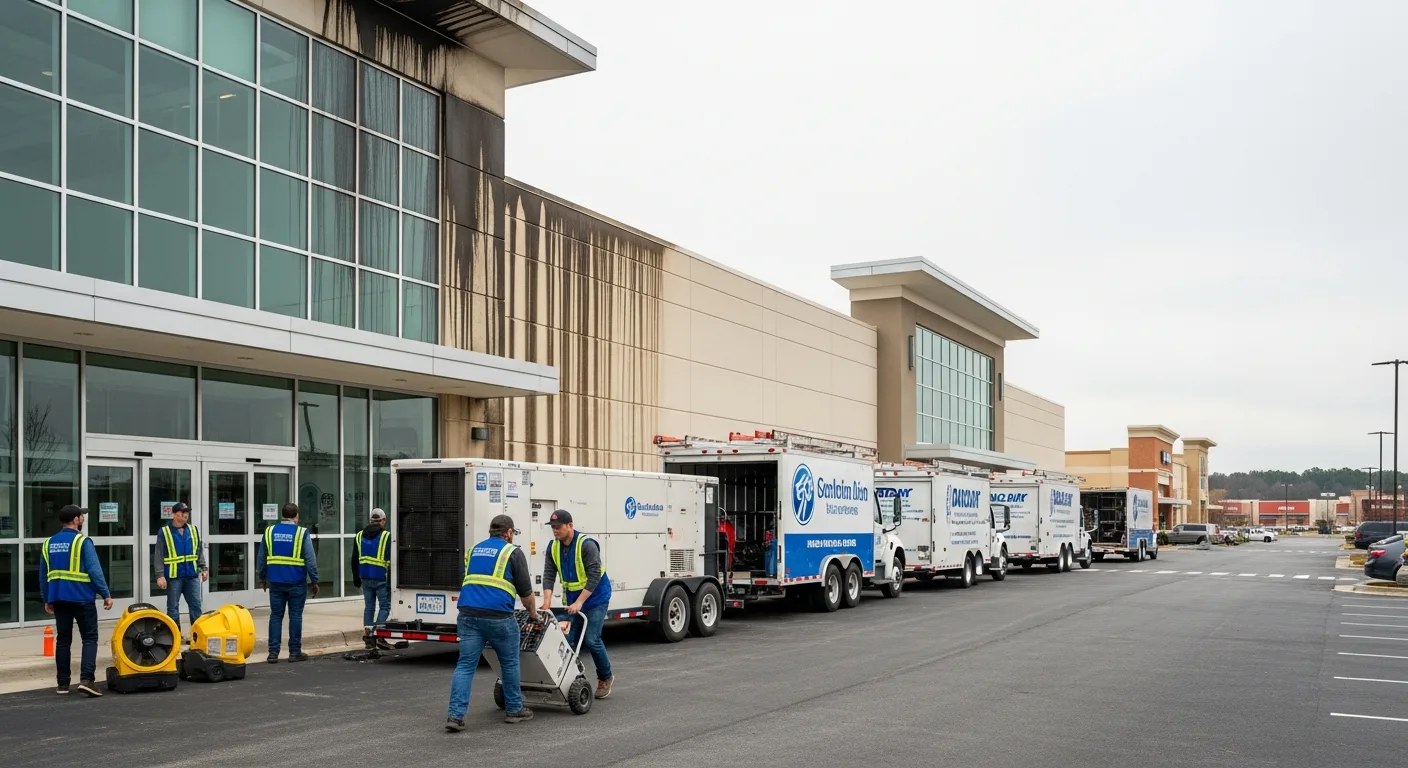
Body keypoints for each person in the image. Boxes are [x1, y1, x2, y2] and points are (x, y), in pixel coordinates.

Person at [446, 514, 539, 731]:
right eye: (512, 533)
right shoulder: (512, 552)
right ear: (508, 533)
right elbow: (526, 593)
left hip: (468, 615)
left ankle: (455, 716)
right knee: (509, 662)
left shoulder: (474, 550)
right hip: (498, 618)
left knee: (466, 665)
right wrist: (533, 613)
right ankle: (514, 709)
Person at [38, 505, 113, 697]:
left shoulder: (49, 543)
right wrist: (105, 593)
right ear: (77, 520)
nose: (83, 519)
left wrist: (47, 598)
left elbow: (43, 575)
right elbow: (94, 570)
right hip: (81, 598)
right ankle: (87, 680)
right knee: (90, 638)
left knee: (63, 640)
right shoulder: (82, 542)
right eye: (82, 516)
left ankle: (62, 684)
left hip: (59, 598)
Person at [541, 510, 614, 700]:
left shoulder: (587, 545)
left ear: (570, 526)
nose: (555, 531)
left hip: (596, 597)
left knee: (591, 639)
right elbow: (549, 574)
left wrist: (580, 602)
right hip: (573, 600)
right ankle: (567, 680)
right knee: (567, 641)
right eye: (553, 528)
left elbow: (594, 576)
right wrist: (547, 601)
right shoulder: (553, 547)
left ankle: (605, 677)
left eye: (558, 527)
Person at [256, 502, 318, 663]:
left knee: (276, 616)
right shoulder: (301, 533)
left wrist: (262, 578)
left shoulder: (269, 531)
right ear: (296, 516)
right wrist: (315, 581)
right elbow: (310, 560)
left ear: (282, 515)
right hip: (296, 582)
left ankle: (273, 653)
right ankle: (294, 652)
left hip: (275, 581)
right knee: (295, 616)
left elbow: (261, 558)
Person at [154, 502, 207, 635]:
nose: (185, 516)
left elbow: (198, 551)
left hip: (191, 576)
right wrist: (160, 575)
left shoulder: (193, 530)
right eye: (182, 513)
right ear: (174, 514)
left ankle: (197, 637)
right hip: (174, 577)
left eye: (186, 513)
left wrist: (203, 568)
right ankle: (175, 638)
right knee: (173, 609)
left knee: (196, 607)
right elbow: (158, 554)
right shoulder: (164, 532)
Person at [350, 508, 393, 649]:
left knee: (369, 608)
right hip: (381, 577)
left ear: (370, 521)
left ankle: (369, 638)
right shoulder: (387, 536)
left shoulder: (359, 536)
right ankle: (379, 635)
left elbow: (354, 559)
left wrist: (355, 577)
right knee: (385, 607)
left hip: (365, 577)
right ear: (383, 520)